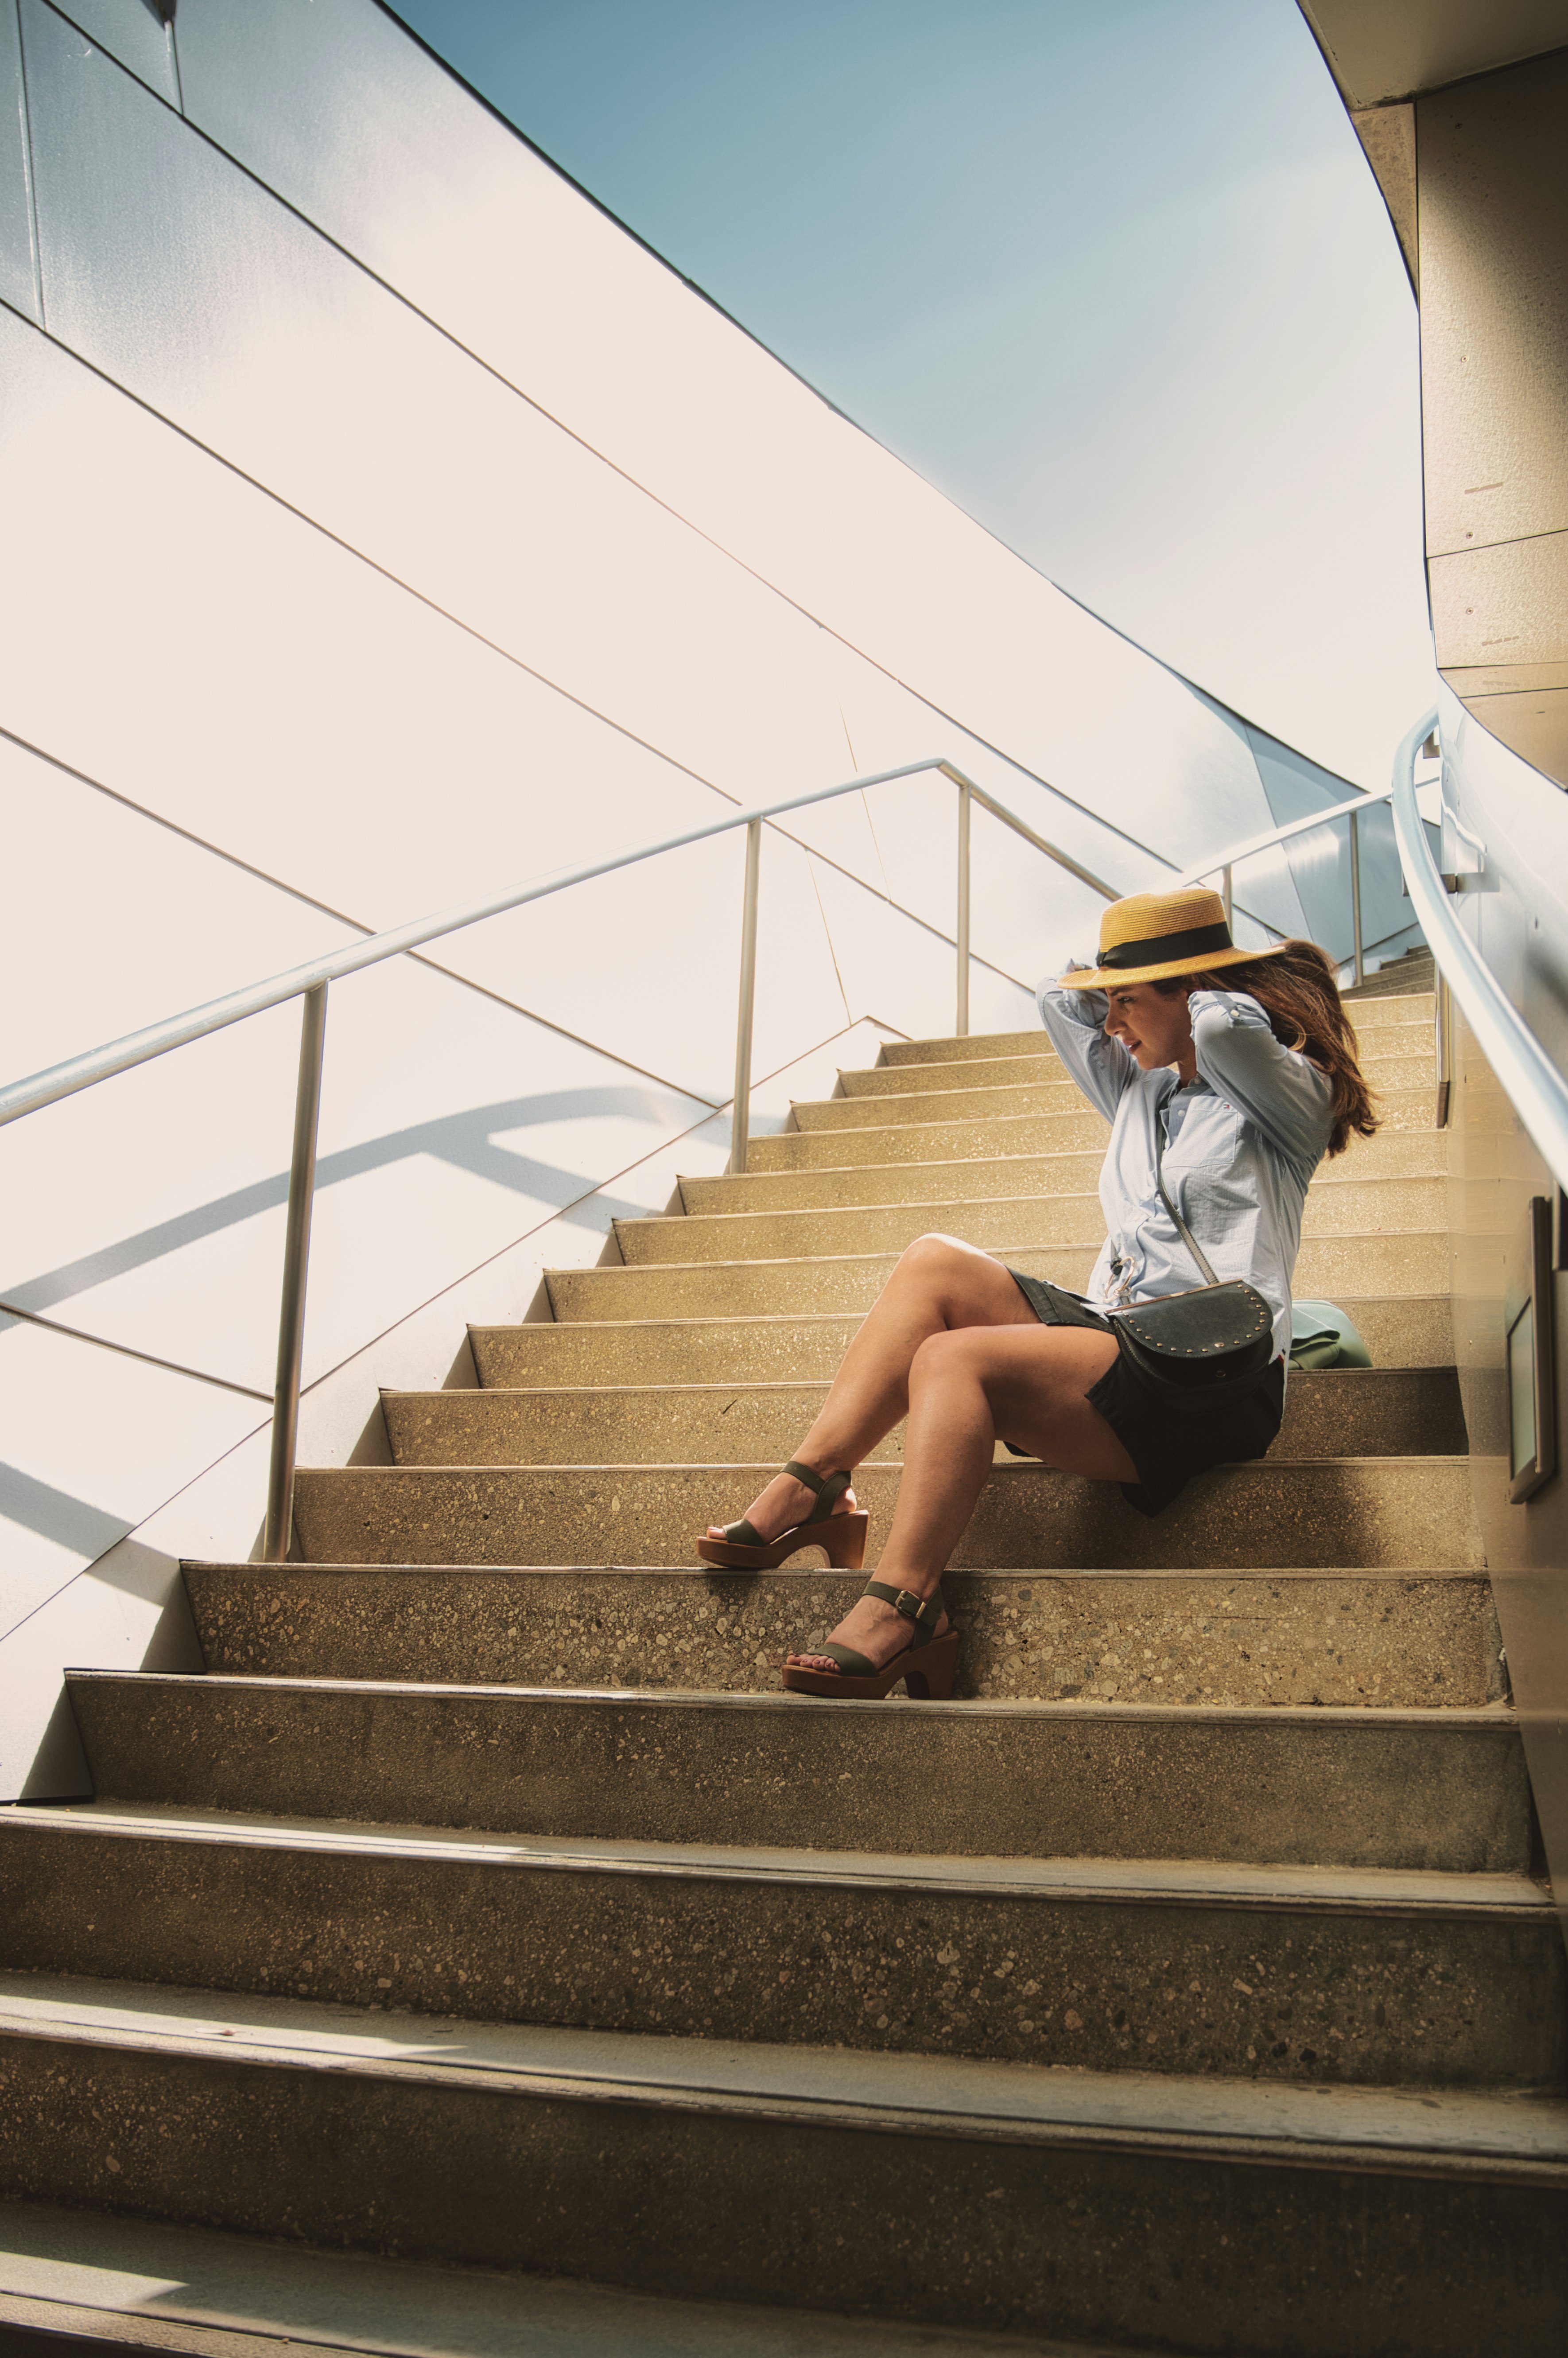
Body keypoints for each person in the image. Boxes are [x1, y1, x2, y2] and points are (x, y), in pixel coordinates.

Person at [695, 884, 1378, 1700]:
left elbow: (1229, 1028)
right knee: (933, 1262)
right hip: (1116, 1336)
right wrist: (1124, 985)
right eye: (1112, 1005)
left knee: (955, 1361)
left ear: (1194, 998)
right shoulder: (1141, 1091)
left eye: (1127, 1003)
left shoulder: (1286, 1105)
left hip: (1209, 1378)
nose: (1113, 1024)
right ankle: (815, 1486)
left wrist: (1206, 986)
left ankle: (907, 1604)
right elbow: (1059, 1000)